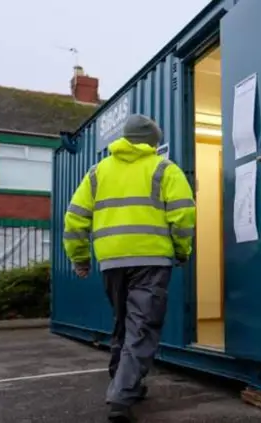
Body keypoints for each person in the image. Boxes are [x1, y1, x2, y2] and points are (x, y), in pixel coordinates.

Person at [62, 114, 196, 423]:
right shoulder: (164, 169)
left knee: (124, 321)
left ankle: (123, 381)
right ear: (153, 141)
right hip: (151, 261)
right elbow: (183, 216)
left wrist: (80, 258)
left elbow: (74, 219)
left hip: (112, 262)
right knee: (142, 325)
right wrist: (182, 251)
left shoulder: (98, 172)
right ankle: (121, 396)